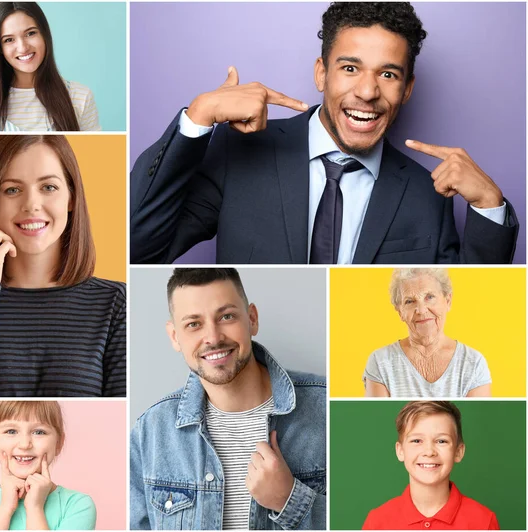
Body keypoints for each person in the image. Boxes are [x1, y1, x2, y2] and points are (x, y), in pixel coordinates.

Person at [130, 2, 518, 264]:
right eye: (350, 68)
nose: (367, 92)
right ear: (321, 73)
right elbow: (139, 247)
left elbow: (462, 314)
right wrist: (197, 119)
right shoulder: (240, 153)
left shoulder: (426, 193)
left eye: (388, 74)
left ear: (407, 88)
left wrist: (489, 207)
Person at [0, 135, 126, 397]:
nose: (31, 204)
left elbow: (118, 423)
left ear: (71, 198)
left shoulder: (114, 303)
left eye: (48, 187)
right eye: (12, 189)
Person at [130, 268, 326, 530]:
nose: (213, 337)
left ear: (252, 319)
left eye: (226, 316)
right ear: (175, 336)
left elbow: (373, 522)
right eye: (193, 324)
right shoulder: (151, 432)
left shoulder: (328, 409)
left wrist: (288, 500)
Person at [0, 2, 100, 131]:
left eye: (30, 33)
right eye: (9, 40)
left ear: (44, 35)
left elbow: (95, 158)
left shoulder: (79, 97)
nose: (23, 47)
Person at [0, 400, 96, 530]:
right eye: (11, 431)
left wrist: (35, 508)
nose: (24, 444)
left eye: (39, 432)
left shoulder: (78, 505)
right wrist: (5, 508)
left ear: (59, 443)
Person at [362, 401, 499, 529]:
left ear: (458, 452)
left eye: (441, 441)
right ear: (400, 451)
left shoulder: (483, 521)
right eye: (416, 440)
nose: (429, 452)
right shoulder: (377, 522)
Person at [363, 268, 491, 397]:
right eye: (410, 301)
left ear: (448, 301)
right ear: (400, 311)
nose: (421, 310)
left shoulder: (473, 363)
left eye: (429, 297)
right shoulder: (380, 361)